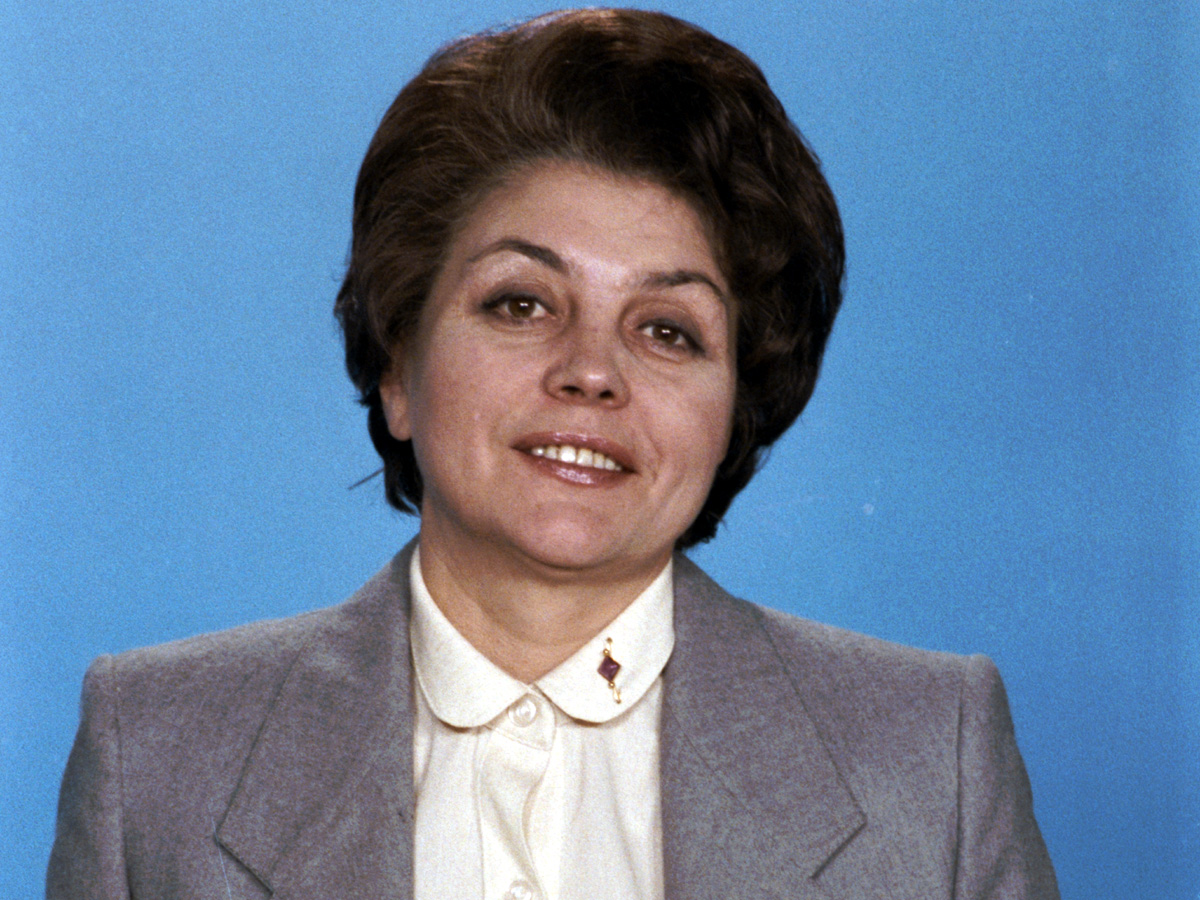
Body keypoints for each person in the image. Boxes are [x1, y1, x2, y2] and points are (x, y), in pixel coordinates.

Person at [47, 9, 1059, 899]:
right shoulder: (158, 751)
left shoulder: (930, 757)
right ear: (398, 365)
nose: (591, 372)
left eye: (667, 330)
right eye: (521, 304)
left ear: (734, 411)